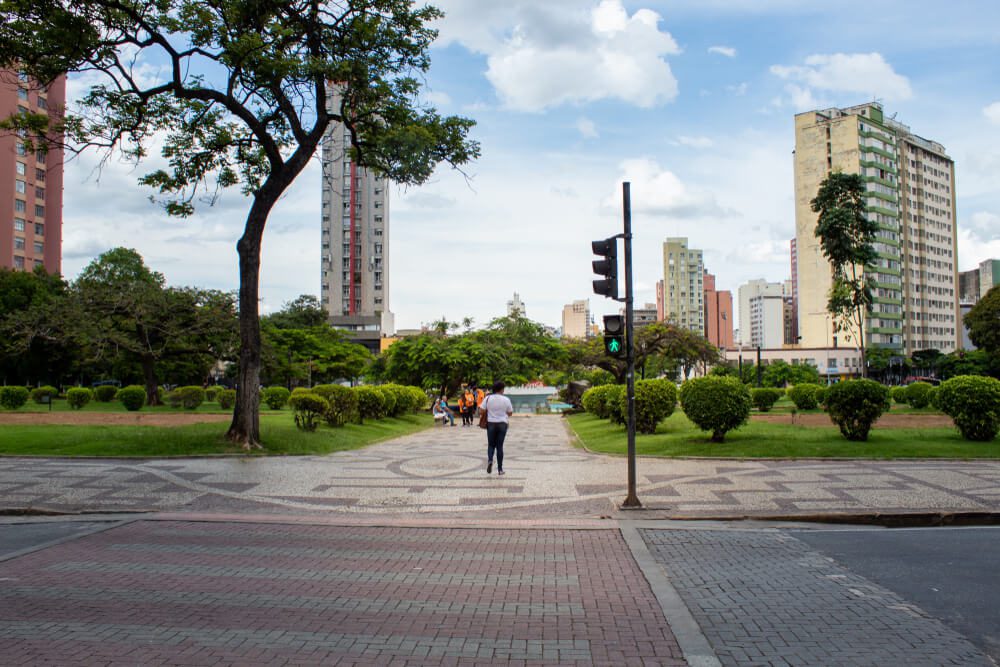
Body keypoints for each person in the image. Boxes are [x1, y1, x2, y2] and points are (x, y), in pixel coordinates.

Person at [480, 380, 514, 475]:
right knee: (500, 446)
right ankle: (500, 469)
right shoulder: (506, 399)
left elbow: (481, 410)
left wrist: (490, 411)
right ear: (501, 389)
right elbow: (510, 413)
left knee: (491, 445)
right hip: (502, 424)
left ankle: (490, 460)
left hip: (491, 424)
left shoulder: (488, 398)